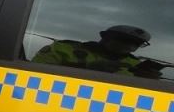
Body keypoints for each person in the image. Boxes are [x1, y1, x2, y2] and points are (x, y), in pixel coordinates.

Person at [33, 25, 163, 79]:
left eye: (136, 44)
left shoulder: (135, 65)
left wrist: (148, 80)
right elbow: (33, 73)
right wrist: (87, 68)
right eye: (124, 40)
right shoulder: (64, 48)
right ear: (105, 38)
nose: (129, 46)